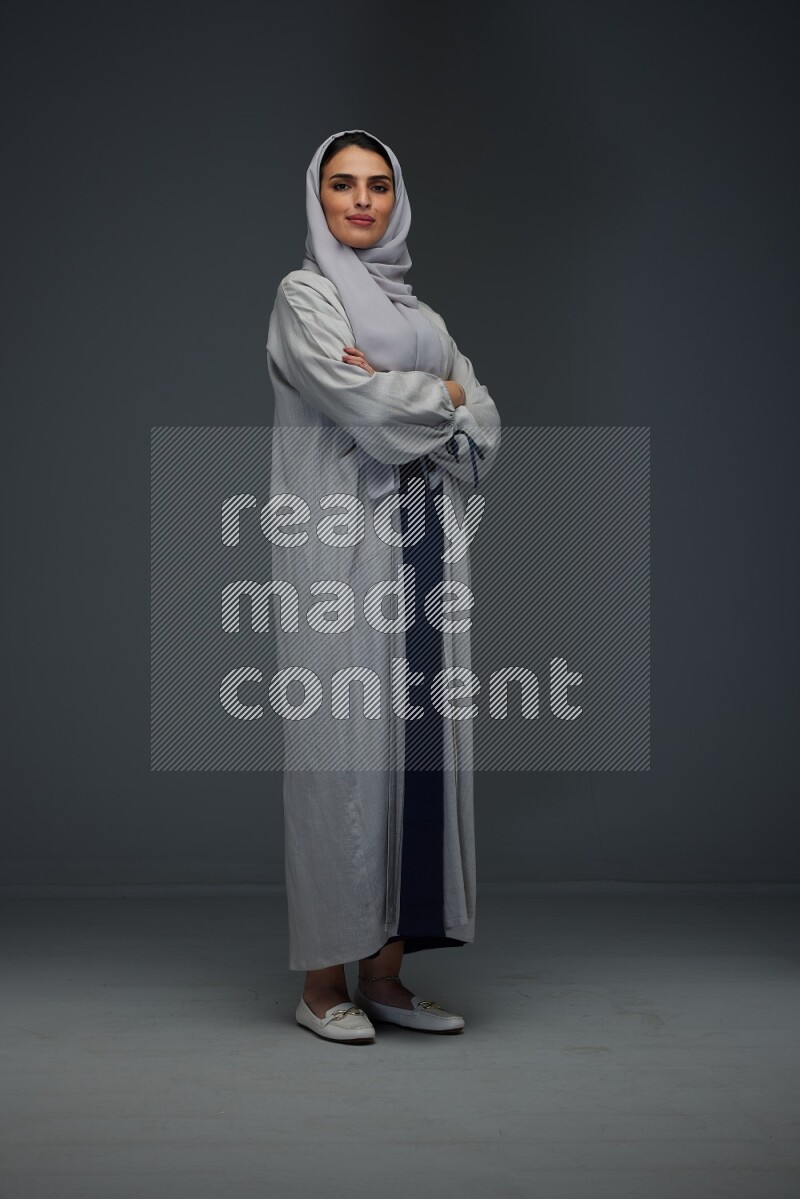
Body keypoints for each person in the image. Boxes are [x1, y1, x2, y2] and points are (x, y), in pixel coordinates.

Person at [266, 129, 501, 1042]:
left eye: (375, 186)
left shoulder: (425, 317)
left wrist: (434, 398)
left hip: (427, 551)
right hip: (339, 554)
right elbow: (364, 410)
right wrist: (438, 398)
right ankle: (324, 983)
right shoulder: (305, 297)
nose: (359, 201)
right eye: (340, 185)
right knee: (341, 760)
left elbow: (488, 426)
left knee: (417, 759)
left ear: (395, 200)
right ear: (317, 198)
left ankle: (389, 977)